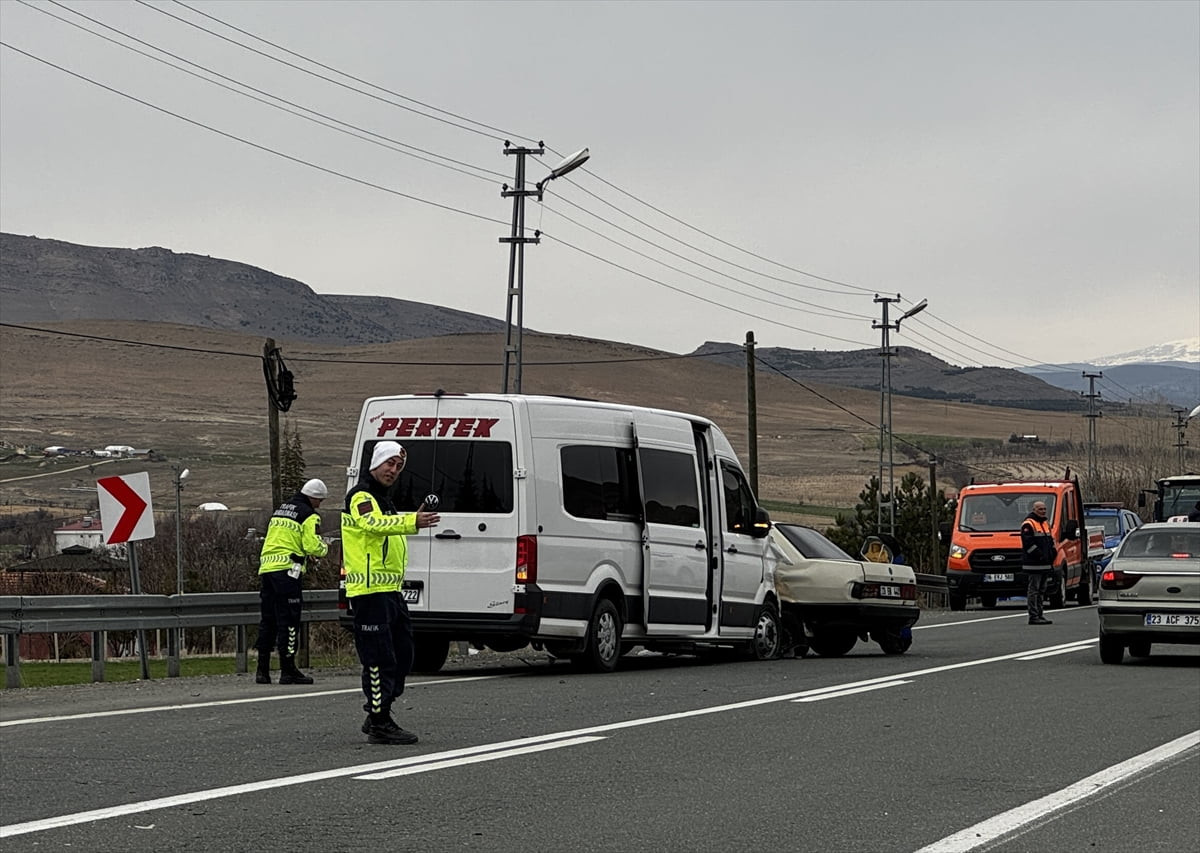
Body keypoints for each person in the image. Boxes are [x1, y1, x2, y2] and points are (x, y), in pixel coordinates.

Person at [342, 441, 440, 745]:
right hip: (369, 591)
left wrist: (410, 519)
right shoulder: (361, 496)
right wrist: (413, 521)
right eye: (390, 463)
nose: (394, 471)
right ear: (376, 463)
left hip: (389, 590)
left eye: (398, 466)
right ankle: (380, 719)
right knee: (378, 657)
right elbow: (372, 524)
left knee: (404, 653)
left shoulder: (384, 499)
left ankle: (378, 712)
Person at [256, 478, 330, 684]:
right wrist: (325, 548)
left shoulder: (281, 510)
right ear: (313, 497)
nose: (319, 505)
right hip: (288, 572)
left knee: (268, 620)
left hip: (267, 569)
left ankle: (262, 671)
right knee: (289, 621)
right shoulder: (308, 515)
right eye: (320, 501)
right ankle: (287, 669)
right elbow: (312, 545)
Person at [1020, 501, 1056, 625]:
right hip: (1033, 564)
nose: (1043, 511)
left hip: (1045, 563)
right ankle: (1033, 616)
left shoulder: (1045, 523)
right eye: (1040, 509)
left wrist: (1052, 553)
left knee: (1042, 590)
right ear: (1034, 510)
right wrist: (1040, 555)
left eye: (1045, 509)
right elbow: (1028, 544)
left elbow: (1050, 540)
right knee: (1034, 590)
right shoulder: (1028, 524)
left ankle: (1040, 614)